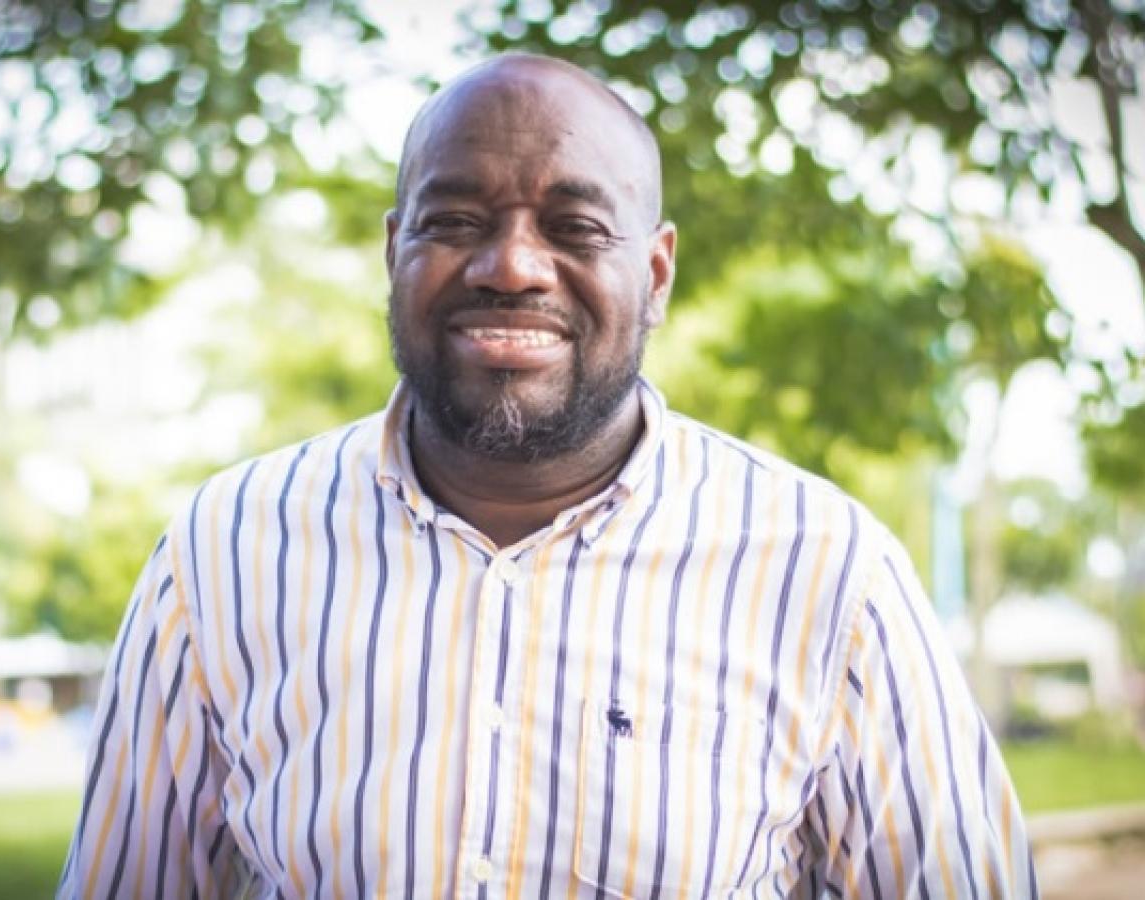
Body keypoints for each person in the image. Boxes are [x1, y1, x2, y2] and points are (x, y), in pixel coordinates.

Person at [60, 53, 1036, 899]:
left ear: (656, 276)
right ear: (394, 250)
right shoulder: (223, 552)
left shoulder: (830, 571)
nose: (512, 266)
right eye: (454, 220)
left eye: (575, 227)